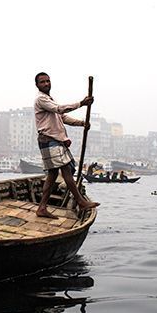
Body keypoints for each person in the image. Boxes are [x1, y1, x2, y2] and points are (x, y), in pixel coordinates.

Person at [33, 72, 100, 218]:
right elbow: (60, 109)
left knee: (53, 174)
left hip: (54, 141)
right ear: (37, 85)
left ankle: (42, 208)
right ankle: (80, 201)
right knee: (66, 170)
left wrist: (82, 123)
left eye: (47, 81)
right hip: (48, 140)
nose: (46, 84)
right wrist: (81, 104)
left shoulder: (50, 100)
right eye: (42, 82)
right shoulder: (41, 99)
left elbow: (62, 117)